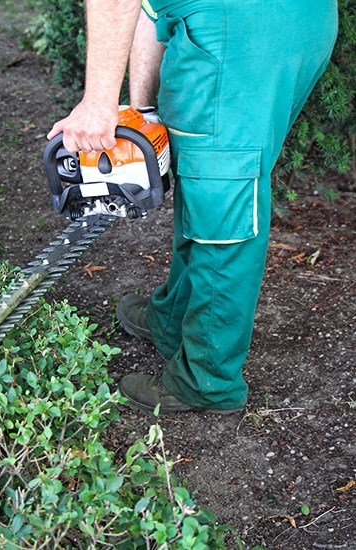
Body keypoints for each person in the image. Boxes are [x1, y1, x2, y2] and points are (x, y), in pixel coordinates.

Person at [47, 0, 338, 415]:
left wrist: (99, 104)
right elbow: (150, 7)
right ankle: (173, 321)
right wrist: (141, 110)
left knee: (224, 201)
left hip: (240, 37)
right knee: (209, 177)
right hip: (281, 23)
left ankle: (207, 380)